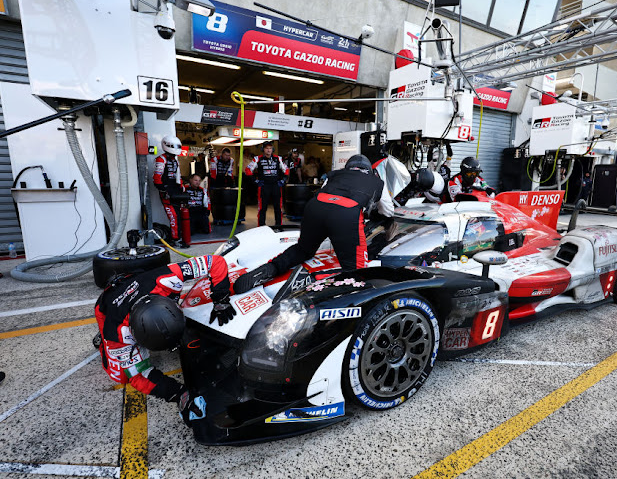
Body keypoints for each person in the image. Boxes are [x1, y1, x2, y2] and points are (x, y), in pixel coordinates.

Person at [94, 255, 233, 424]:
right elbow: (138, 376)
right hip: (107, 305)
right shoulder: (116, 333)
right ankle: (102, 344)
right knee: (120, 375)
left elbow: (215, 262)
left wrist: (221, 300)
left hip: (141, 281)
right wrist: (178, 393)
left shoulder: (167, 278)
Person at [238, 155, 395, 290]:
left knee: (303, 250)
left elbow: (325, 194)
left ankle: (271, 268)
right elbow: (388, 211)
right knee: (357, 272)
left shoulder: (335, 175)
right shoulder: (376, 181)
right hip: (345, 215)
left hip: (314, 207)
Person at [153, 136, 187, 247]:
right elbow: (157, 178)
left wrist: (182, 188)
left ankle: (179, 237)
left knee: (178, 215)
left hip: (176, 192)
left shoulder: (175, 160)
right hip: (166, 193)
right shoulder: (161, 159)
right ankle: (176, 239)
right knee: (174, 217)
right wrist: (163, 190)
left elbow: (178, 177)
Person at [244, 142, 288, 226]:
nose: (268, 150)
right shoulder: (257, 159)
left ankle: (278, 226)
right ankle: (261, 226)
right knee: (262, 208)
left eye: (270, 148)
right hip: (264, 186)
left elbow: (286, 170)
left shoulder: (278, 158)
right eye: (266, 148)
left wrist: (283, 180)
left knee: (278, 208)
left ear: (272, 149)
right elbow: (248, 170)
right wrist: (255, 181)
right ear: (263, 149)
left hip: (276, 185)